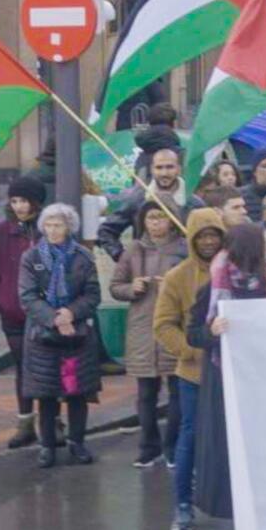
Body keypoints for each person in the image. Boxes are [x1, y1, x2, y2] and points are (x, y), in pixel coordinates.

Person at [193, 223, 266, 530]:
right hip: (226, 384)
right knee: (236, 462)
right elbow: (193, 332)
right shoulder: (215, 284)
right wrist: (211, 331)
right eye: (262, 243)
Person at [154, 206, 226, 530]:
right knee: (190, 437)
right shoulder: (177, 277)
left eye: (214, 235)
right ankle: (183, 505)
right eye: (203, 236)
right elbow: (163, 324)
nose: (209, 241)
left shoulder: (233, 271)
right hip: (195, 374)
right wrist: (189, 351)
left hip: (231, 375)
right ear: (192, 239)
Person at [17, 202, 105, 468]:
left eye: (59, 225)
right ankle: (47, 446)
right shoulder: (31, 258)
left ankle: (77, 441)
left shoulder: (83, 257)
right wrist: (55, 318)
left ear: (69, 228)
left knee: (77, 391)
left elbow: (92, 294)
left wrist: (70, 312)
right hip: (42, 335)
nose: (53, 230)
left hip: (77, 334)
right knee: (46, 393)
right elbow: (27, 296)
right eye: (49, 225)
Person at [109, 197, 187, 467]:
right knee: (145, 393)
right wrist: (133, 288)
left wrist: (174, 286)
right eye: (151, 218)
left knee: (177, 390)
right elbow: (115, 286)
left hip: (174, 327)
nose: (156, 223)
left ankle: (173, 446)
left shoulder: (184, 249)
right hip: (142, 328)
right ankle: (149, 445)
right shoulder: (134, 250)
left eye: (161, 217)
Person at [0, 178, 46, 448]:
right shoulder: (2, 231)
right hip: (13, 313)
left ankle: (52, 421)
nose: (19, 206)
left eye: (24, 201)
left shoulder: (46, 230)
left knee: (47, 367)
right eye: (15, 201)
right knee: (23, 367)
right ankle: (25, 422)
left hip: (43, 314)